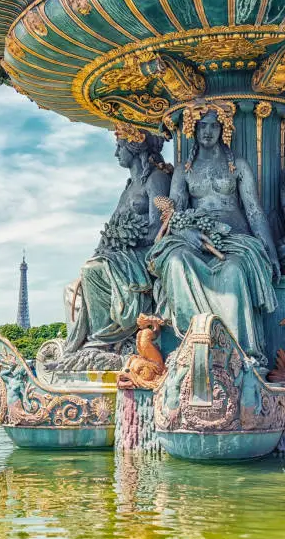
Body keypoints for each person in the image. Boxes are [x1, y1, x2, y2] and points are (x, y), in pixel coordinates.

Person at [148, 100, 280, 365]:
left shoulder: (238, 166)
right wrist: (185, 234)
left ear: (224, 129)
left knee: (233, 271)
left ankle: (238, 352)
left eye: (214, 125)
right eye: (201, 125)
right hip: (194, 235)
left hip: (234, 238)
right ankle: (191, 345)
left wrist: (271, 253)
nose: (207, 131)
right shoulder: (184, 170)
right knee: (174, 262)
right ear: (193, 130)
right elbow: (173, 212)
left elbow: (254, 211)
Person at [64, 123, 172, 358]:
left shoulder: (156, 178)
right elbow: (111, 228)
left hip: (145, 252)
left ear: (133, 147)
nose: (116, 154)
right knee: (76, 282)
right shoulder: (129, 186)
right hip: (123, 253)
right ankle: (92, 341)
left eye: (119, 147)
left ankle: (104, 340)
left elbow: (158, 226)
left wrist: (126, 241)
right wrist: (107, 247)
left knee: (92, 271)